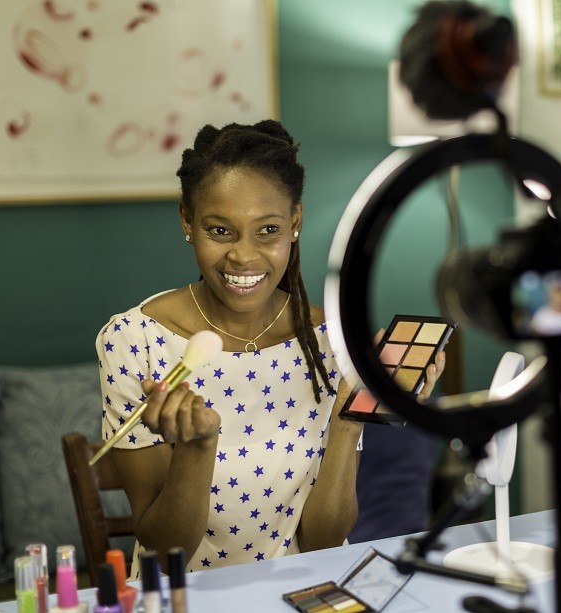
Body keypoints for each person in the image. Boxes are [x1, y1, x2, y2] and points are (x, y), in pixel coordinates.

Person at [96, 120, 444, 574]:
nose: (244, 256)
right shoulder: (132, 342)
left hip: (296, 596)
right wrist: (197, 451)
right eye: (220, 231)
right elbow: (165, 553)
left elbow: (323, 541)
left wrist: (350, 417)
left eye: (268, 230)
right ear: (187, 220)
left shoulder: (330, 342)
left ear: (295, 221)